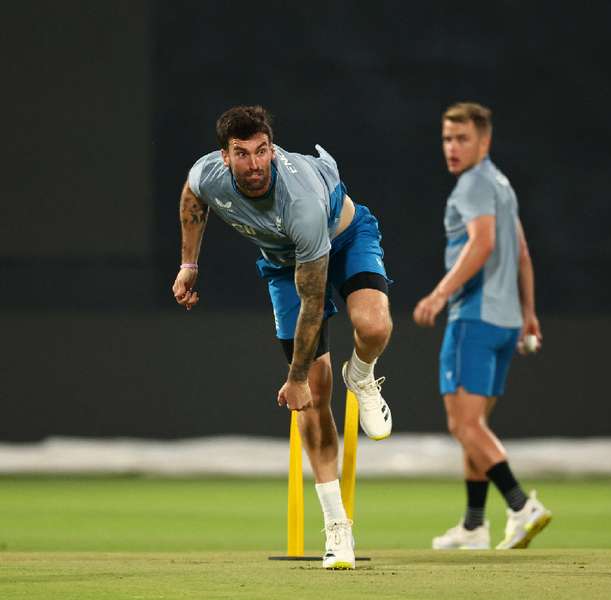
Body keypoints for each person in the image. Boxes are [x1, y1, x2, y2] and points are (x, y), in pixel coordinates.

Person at [172, 105, 394, 570]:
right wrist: (189, 265)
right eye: (242, 154)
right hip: (282, 263)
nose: (254, 165)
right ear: (225, 155)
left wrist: (294, 378)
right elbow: (192, 198)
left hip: (344, 235)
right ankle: (338, 529)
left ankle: (364, 375)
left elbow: (314, 302)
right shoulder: (208, 174)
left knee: (373, 328)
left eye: (262, 151)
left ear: (272, 148)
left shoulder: (301, 203)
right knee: (316, 398)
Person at [414, 102, 552, 550]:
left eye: (462, 139)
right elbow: (524, 252)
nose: (452, 148)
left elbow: (484, 243)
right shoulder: (500, 184)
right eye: (447, 139)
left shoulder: (472, 186)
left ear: (484, 141)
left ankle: (520, 505)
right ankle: (474, 526)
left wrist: (438, 294)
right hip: (507, 322)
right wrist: (529, 312)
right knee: (475, 426)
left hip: (473, 318)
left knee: (464, 426)